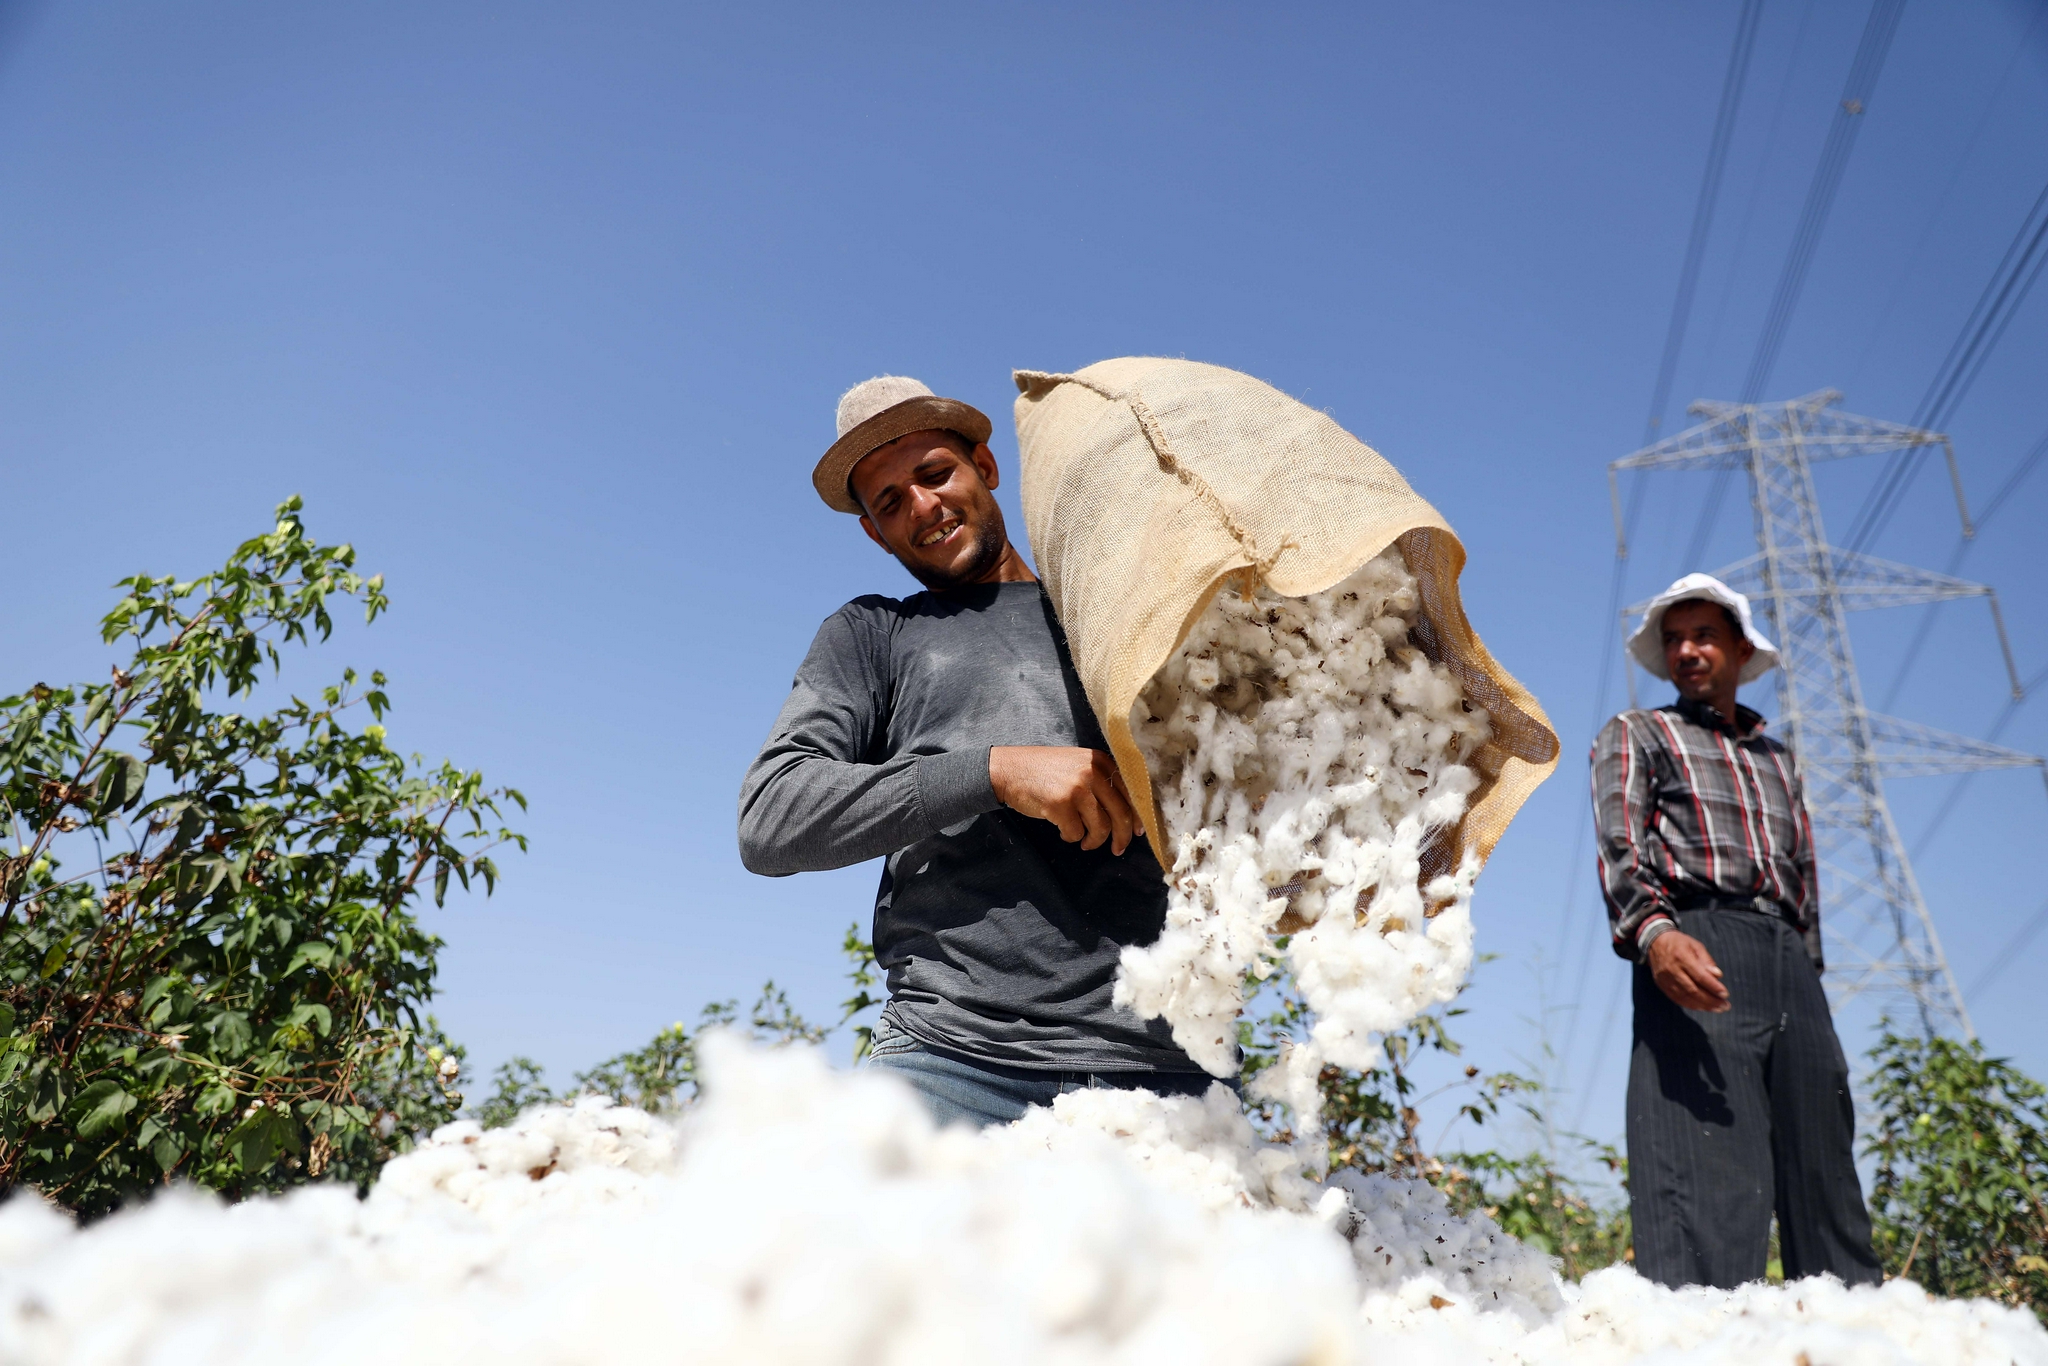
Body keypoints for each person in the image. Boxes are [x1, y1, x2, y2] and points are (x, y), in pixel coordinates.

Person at [737, 375, 1213, 1128]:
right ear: (873, 532)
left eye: (934, 474)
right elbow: (771, 820)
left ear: (985, 468)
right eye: (889, 501)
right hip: (952, 1059)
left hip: (1167, 1063)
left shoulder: (1116, 611)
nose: (921, 506)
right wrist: (996, 771)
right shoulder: (873, 636)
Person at [1592, 572, 1882, 1289]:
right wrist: (1656, 935)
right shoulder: (1642, 734)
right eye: (1674, 640)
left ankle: (1852, 1329)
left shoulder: (1776, 759)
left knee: (1825, 1163)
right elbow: (1620, 844)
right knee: (1705, 1165)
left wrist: (1805, 974)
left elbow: (1803, 871)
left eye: (1704, 636)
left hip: (1786, 961)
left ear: (1741, 649)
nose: (1687, 651)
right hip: (1697, 940)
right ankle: (1705, 1333)